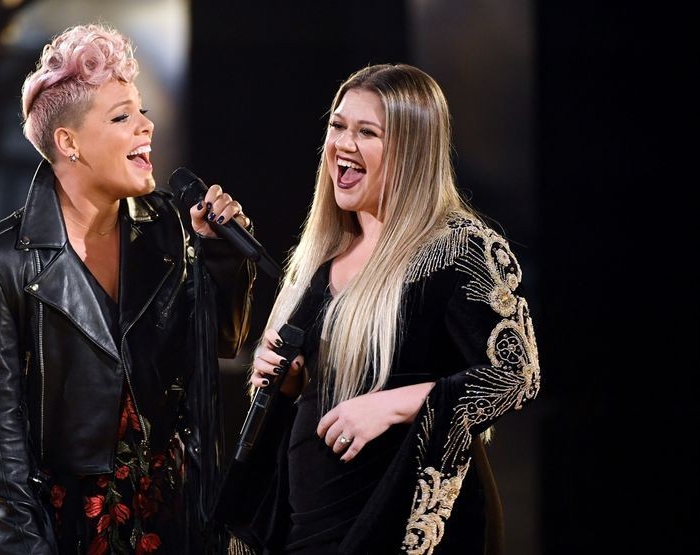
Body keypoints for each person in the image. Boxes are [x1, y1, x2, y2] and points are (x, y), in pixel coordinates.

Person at [217, 64, 540, 554]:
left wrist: (390, 405)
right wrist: (287, 382)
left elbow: (518, 375)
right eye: (338, 126)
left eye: (366, 132)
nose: (343, 144)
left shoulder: (458, 249)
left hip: (396, 525)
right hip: (305, 528)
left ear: (413, 150)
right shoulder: (323, 253)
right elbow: (308, 395)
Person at [0, 24, 255, 554]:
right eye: (122, 117)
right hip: (67, 529)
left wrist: (223, 259)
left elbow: (220, 348)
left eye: (141, 110)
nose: (146, 126)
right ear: (68, 142)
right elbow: (0, 458)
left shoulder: (171, 229)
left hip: (173, 522)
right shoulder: (2, 262)